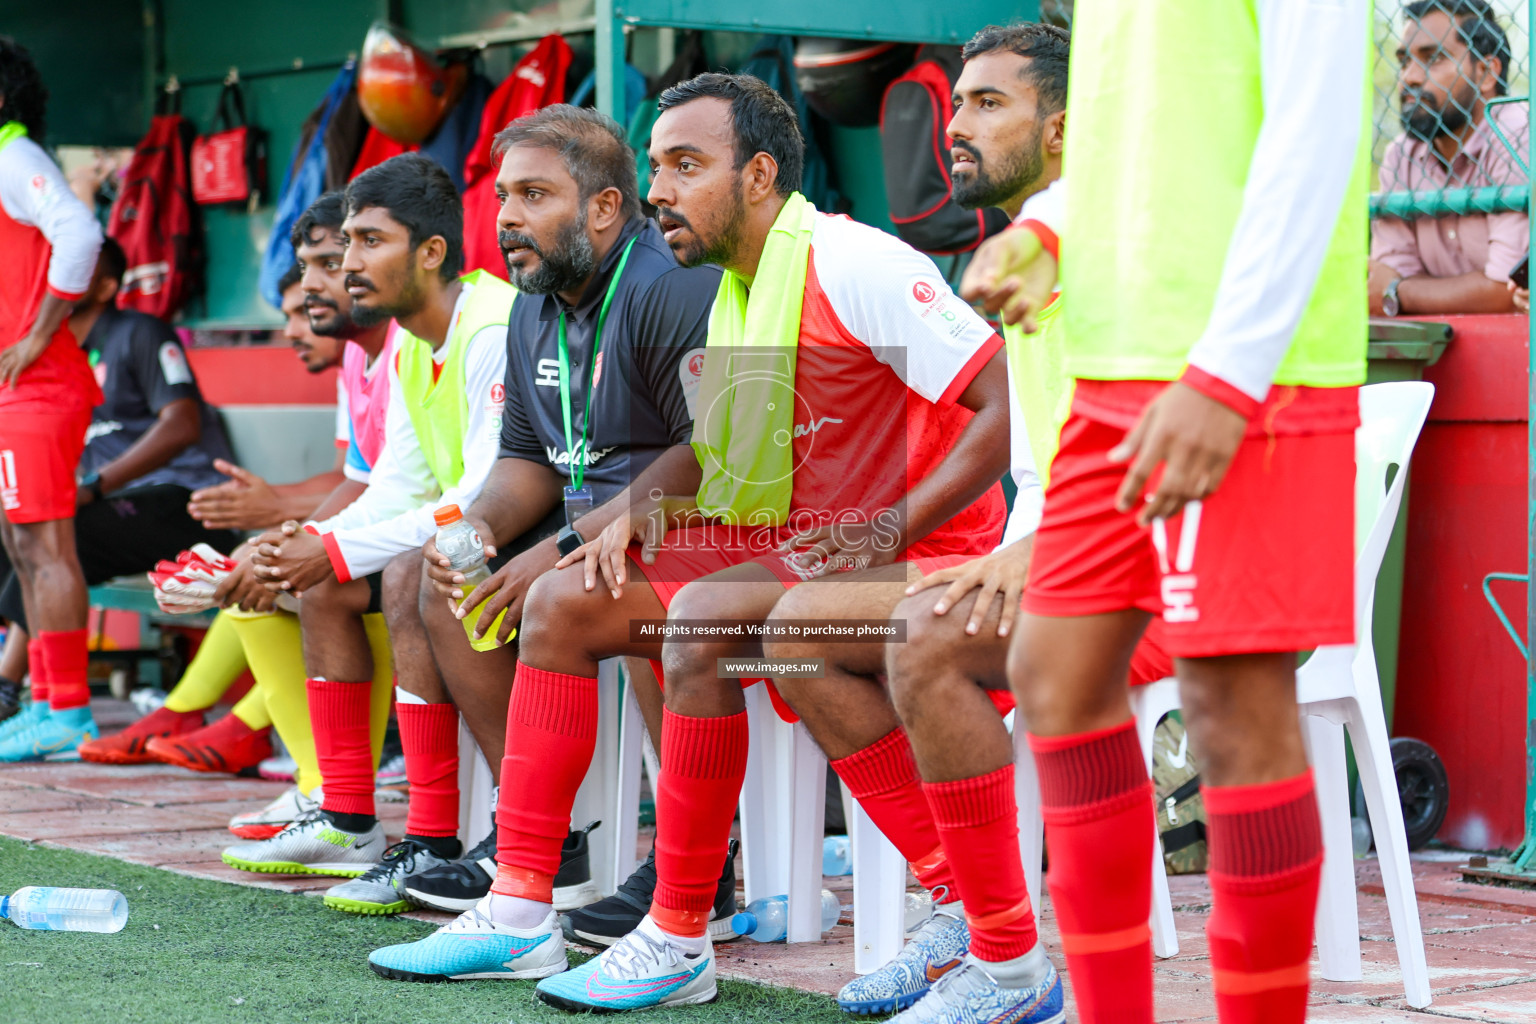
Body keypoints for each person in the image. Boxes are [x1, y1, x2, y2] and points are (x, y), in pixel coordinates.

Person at [369, 71, 1012, 1005]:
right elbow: (742, 479)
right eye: (659, 165)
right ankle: (521, 912)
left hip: (930, 553)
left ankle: (699, 925)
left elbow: (999, 413)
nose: (659, 189)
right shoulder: (735, 288)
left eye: (684, 165)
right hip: (810, 548)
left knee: (710, 620)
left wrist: (884, 532)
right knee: (567, 599)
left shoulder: (852, 261)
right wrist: (621, 529)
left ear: (757, 175)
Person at [961, 1, 1368, 1022]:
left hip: (1245, 376)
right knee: (1054, 676)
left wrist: (1227, 377)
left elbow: (1313, 128)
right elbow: (1122, 146)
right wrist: (1045, 231)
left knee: (1233, 707)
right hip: (1113, 366)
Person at [759, 25, 1126, 1020]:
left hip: (1141, 557)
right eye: (958, 102)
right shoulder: (1028, 235)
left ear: (1058, 129)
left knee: (920, 641)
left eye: (988, 104)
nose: (955, 127)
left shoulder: (1075, 231)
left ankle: (1009, 963)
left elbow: (1128, 423)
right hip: (1055, 540)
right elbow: (1052, 445)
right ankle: (971, 908)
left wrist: (1025, 541)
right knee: (788, 628)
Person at [380, 105, 721, 926]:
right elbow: (527, 459)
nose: (507, 219)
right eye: (503, 197)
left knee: (624, 590)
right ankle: (543, 841)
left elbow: (709, 452)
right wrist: (479, 530)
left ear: (604, 207)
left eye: (535, 195)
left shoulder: (669, 283)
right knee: (444, 580)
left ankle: (697, 865)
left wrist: (571, 543)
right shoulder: (533, 302)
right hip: (584, 530)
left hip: (682, 524)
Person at [223, 154, 513, 894]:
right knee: (332, 584)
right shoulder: (415, 345)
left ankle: (479, 832)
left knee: (406, 566)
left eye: (369, 242)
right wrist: (309, 547)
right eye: (345, 243)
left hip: (527, 530)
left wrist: (332, 545)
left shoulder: (489, 327)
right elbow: (395, 487)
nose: (349, 264)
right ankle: (351, 817)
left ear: (432, 252)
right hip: (466, 531)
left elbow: (484, 492)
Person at [0, 35, 105, 759]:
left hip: (39, 384)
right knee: (22, 545)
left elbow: (80, 229)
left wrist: (40, 332)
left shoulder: (14, 154)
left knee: (45, 545)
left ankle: (68, 713)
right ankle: (46, 703)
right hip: (19, 388)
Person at [1370, 0, 1526, 316]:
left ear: (1484, 72)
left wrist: (1397, 294)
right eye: (1404, 62)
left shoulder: (1519, 137)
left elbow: (1507, 290)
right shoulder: (1402, 156)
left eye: (1432, 59)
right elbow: (1385, 278)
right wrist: (1398, 291)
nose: (1410, 78)